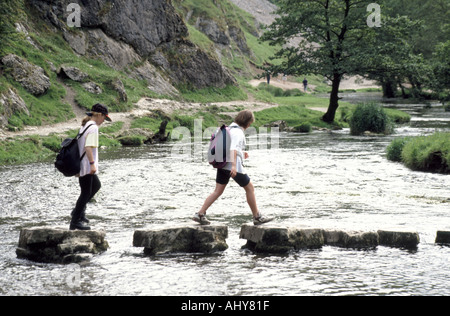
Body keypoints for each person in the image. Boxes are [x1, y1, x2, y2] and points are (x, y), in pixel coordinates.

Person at [193, 110, 273, 226]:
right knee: (250, 188)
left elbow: (231, 147)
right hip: (232, 167)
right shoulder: (238, 132)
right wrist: (234, 166)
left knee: (217, 191)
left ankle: (200, 214)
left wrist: (242, 153)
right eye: (250, 123)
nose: (250, 125)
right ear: (247, 122)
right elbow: (233, 149)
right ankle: (257, 217)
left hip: (222, 165)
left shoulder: (229, 129)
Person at [70, 103, 112, 230]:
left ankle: (79, 212)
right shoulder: (93, 127)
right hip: (87, 165)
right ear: (99, 115)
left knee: (96, 186)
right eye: (104, 117)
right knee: (86, 192)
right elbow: (88, 147)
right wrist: (92, 165)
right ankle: (75, 220)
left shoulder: (86, 125)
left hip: (83, 164)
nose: (104, 120)